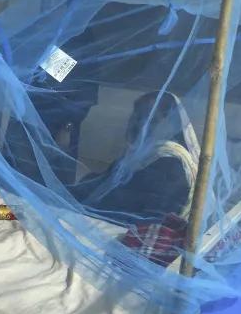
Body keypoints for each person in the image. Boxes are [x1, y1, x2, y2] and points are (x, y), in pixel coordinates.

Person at [71, 91, 200, 223]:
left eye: (151, 120)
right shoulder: (139, 155)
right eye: (137, 117)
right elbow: (105, 181)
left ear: (171, 125)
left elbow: (153, 217)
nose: (139, 125)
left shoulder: (170, 165)